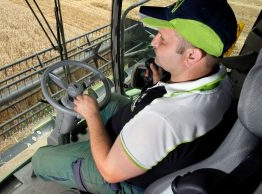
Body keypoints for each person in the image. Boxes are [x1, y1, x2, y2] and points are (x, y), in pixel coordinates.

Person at [32, 0, 238, 193]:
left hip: (119, 173)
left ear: (192, 56)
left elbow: (109, 171)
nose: (154, 41)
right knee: (110, 99)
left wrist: (92, 116)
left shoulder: (164, 118)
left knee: (41, 159)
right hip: (139, 134)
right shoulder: (221, 80)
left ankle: (60, 159)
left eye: (163, 39)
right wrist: (157, 85)